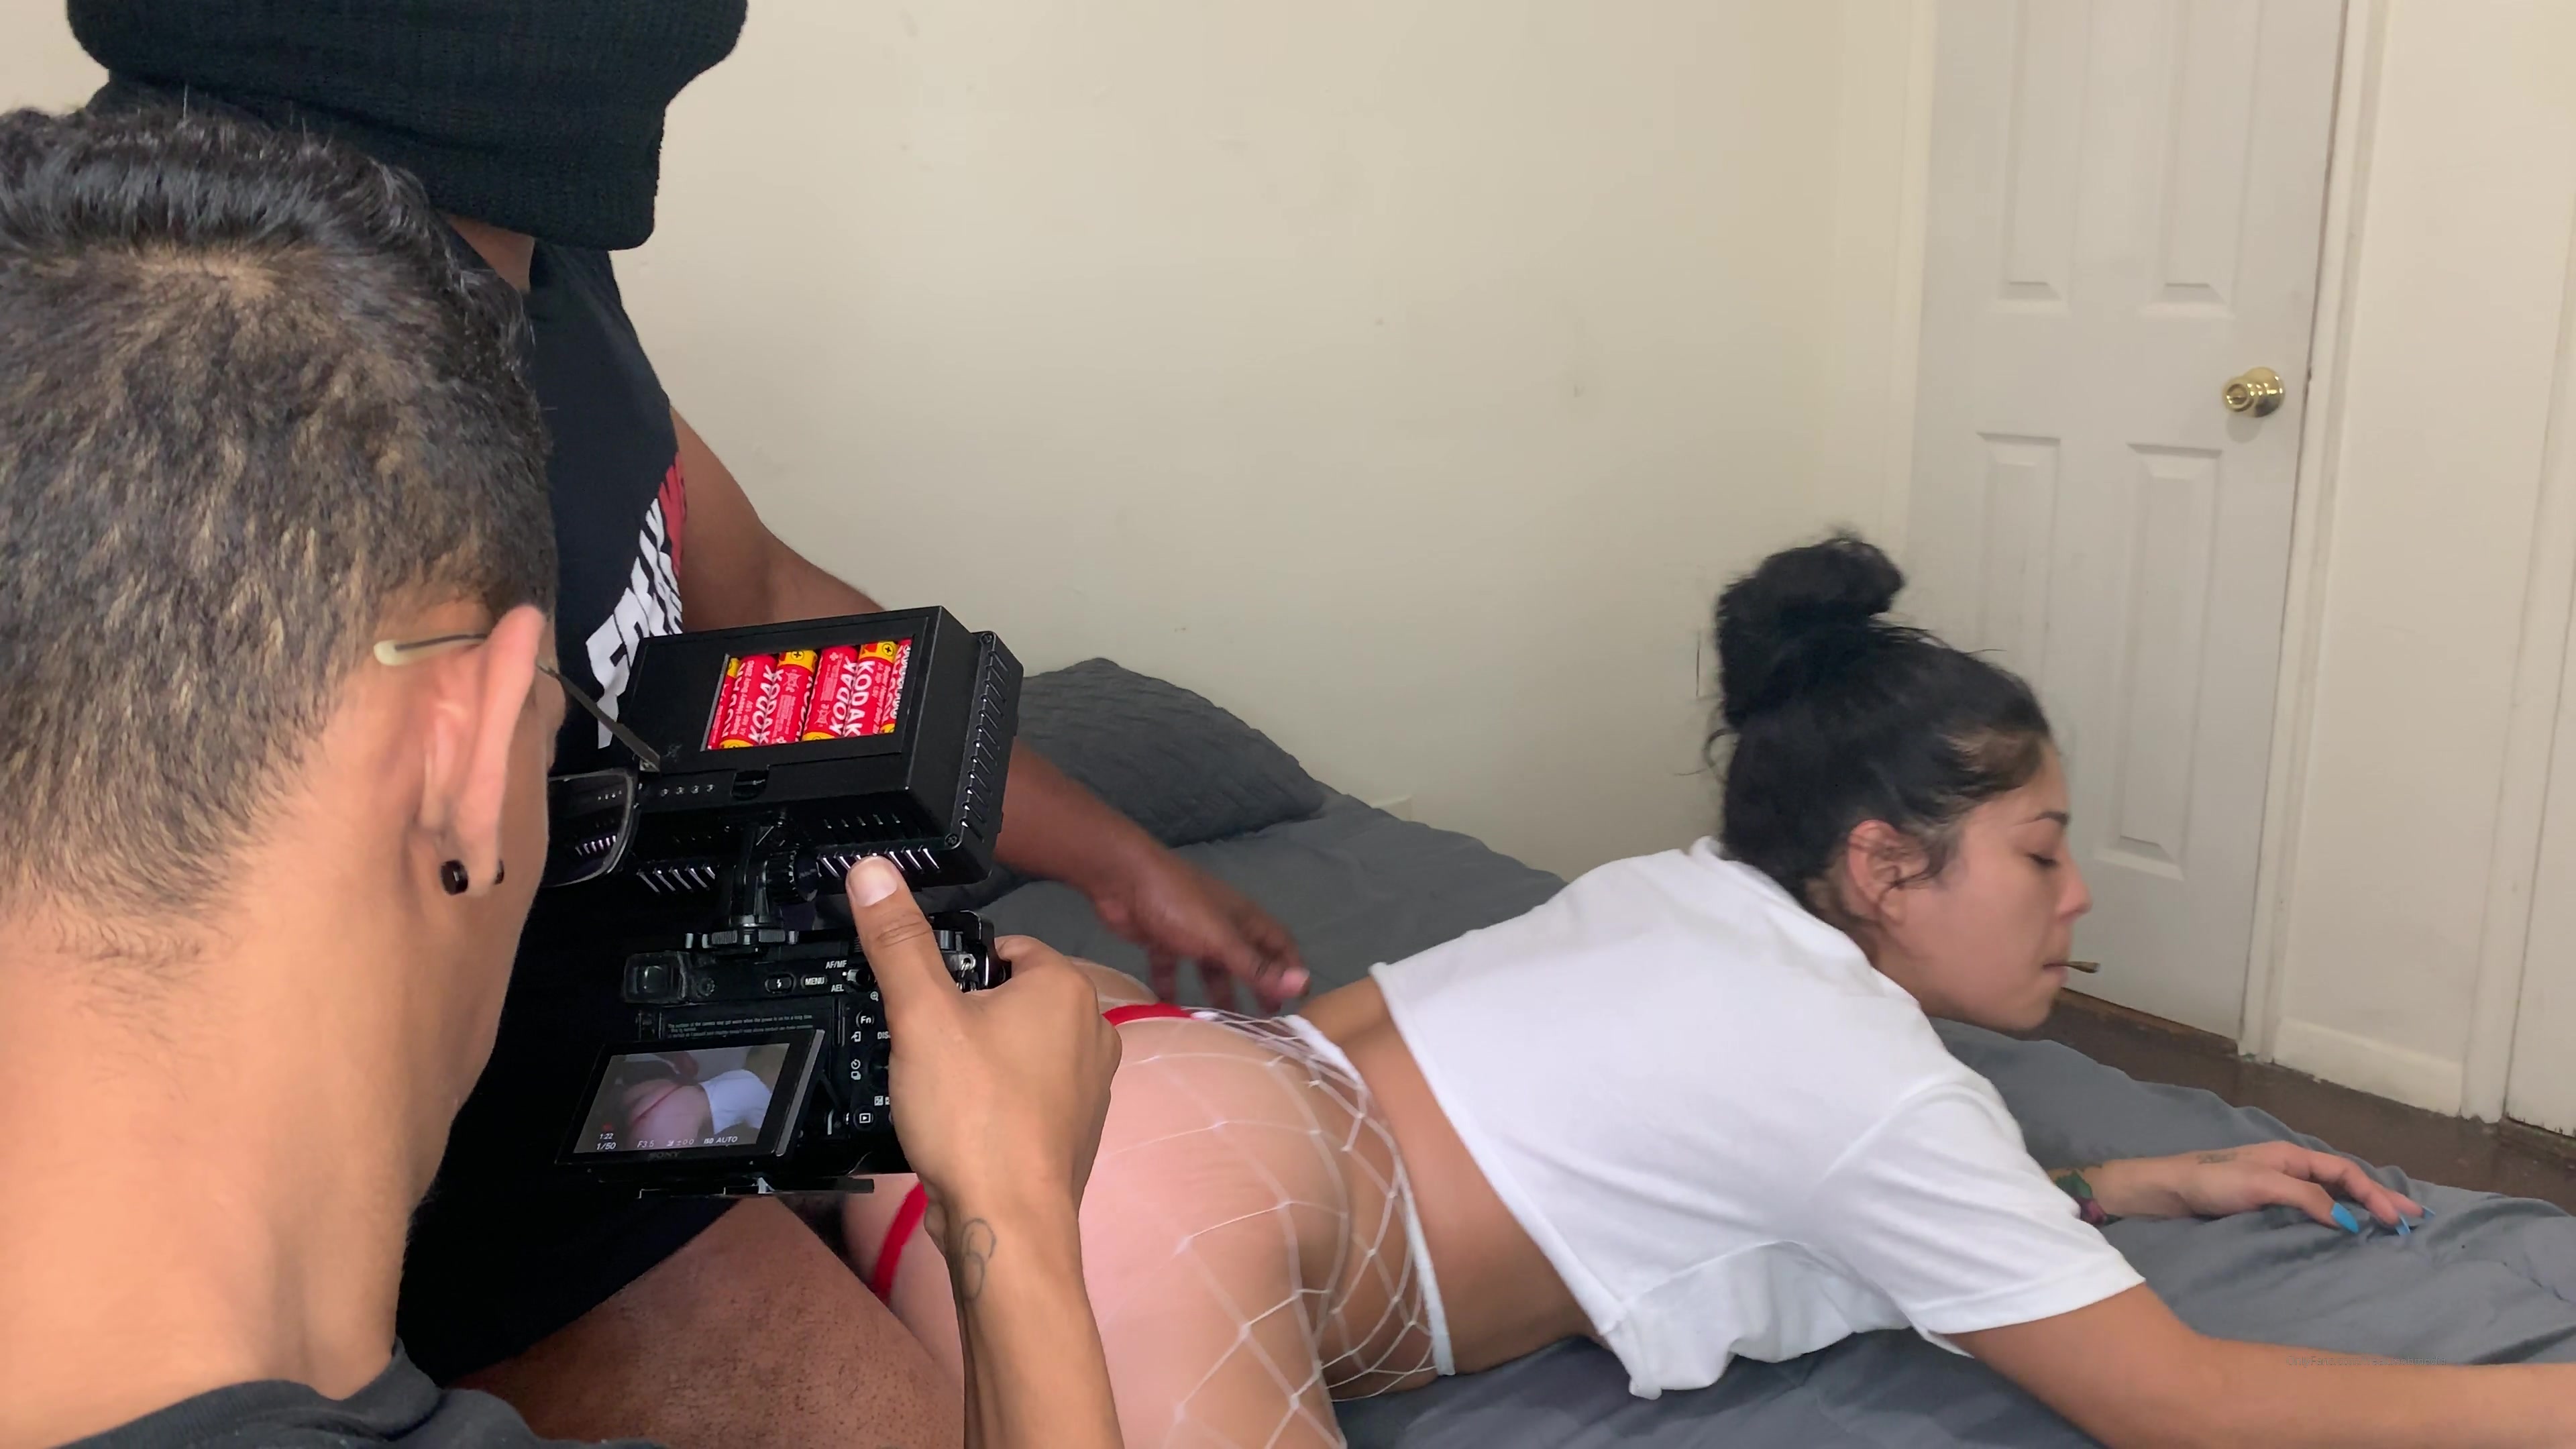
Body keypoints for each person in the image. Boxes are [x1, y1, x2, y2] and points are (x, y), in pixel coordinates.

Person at [61, 3, 1306, 1440]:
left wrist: (1107, 854)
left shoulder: (520, 241)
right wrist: (1008, 1223)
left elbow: (752, 590)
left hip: (662, 1012)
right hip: (504, 1196)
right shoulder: (216, 390)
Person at [849, 533, 2576, 1449]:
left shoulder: (1666, 893)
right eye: (2042, 853)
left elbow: (1751, 1166)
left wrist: (2123, 1182)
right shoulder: (1863, 1074)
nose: (2077, 899)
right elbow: (2180, 1405)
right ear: (1886, 864)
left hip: (1051, 1067)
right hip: (1169, 1199)